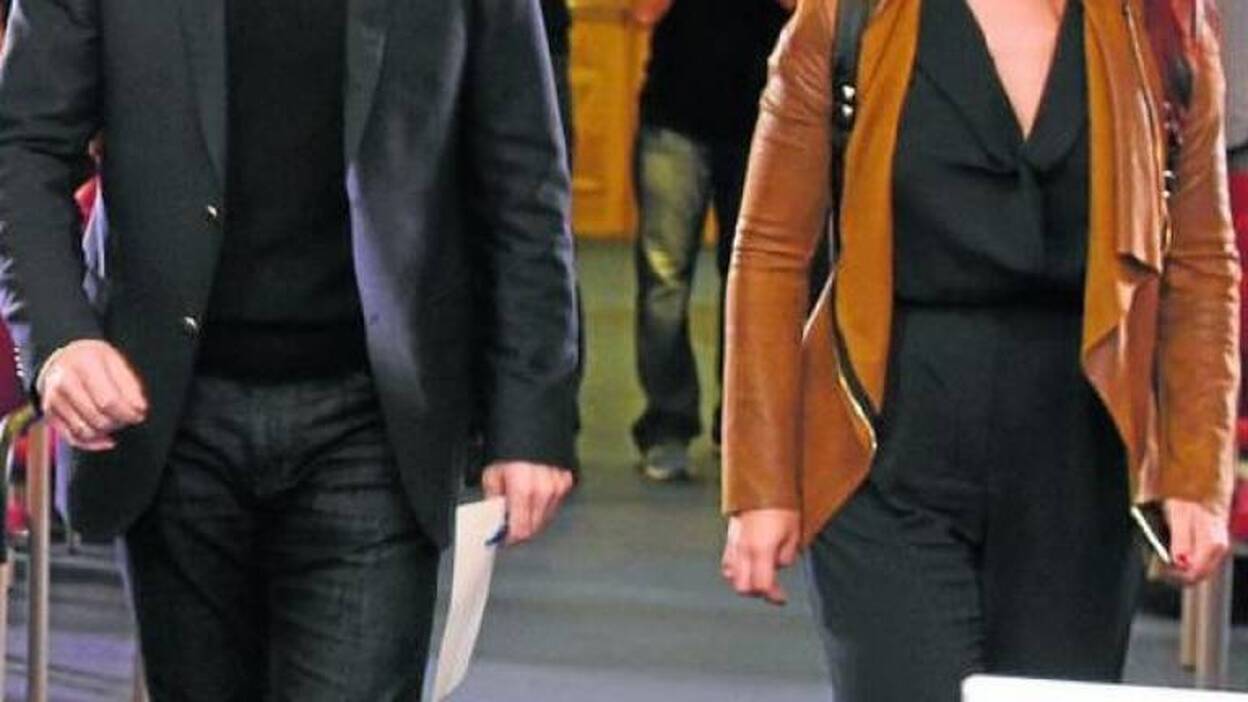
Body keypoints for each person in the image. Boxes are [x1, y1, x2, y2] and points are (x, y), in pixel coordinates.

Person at [0, 0, 580, 698]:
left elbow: (524, 180)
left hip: (376, 419)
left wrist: (531, 414)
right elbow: (24, 146)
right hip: (170, 414)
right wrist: (59, 336)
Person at [720, 0, 1238, 700]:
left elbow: (1201, 263)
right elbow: (770, 252)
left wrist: (1196, 472)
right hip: (884, 454)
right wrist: (761, 485)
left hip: (1081, 470)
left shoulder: (1161, 26)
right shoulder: (850, 19)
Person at [630, 0, 790, 481]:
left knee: (751, 284)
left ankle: (739, 423)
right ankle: (668, 424)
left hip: (766, 120)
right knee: (663, 281)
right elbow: (643, 11)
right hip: (674, 117)